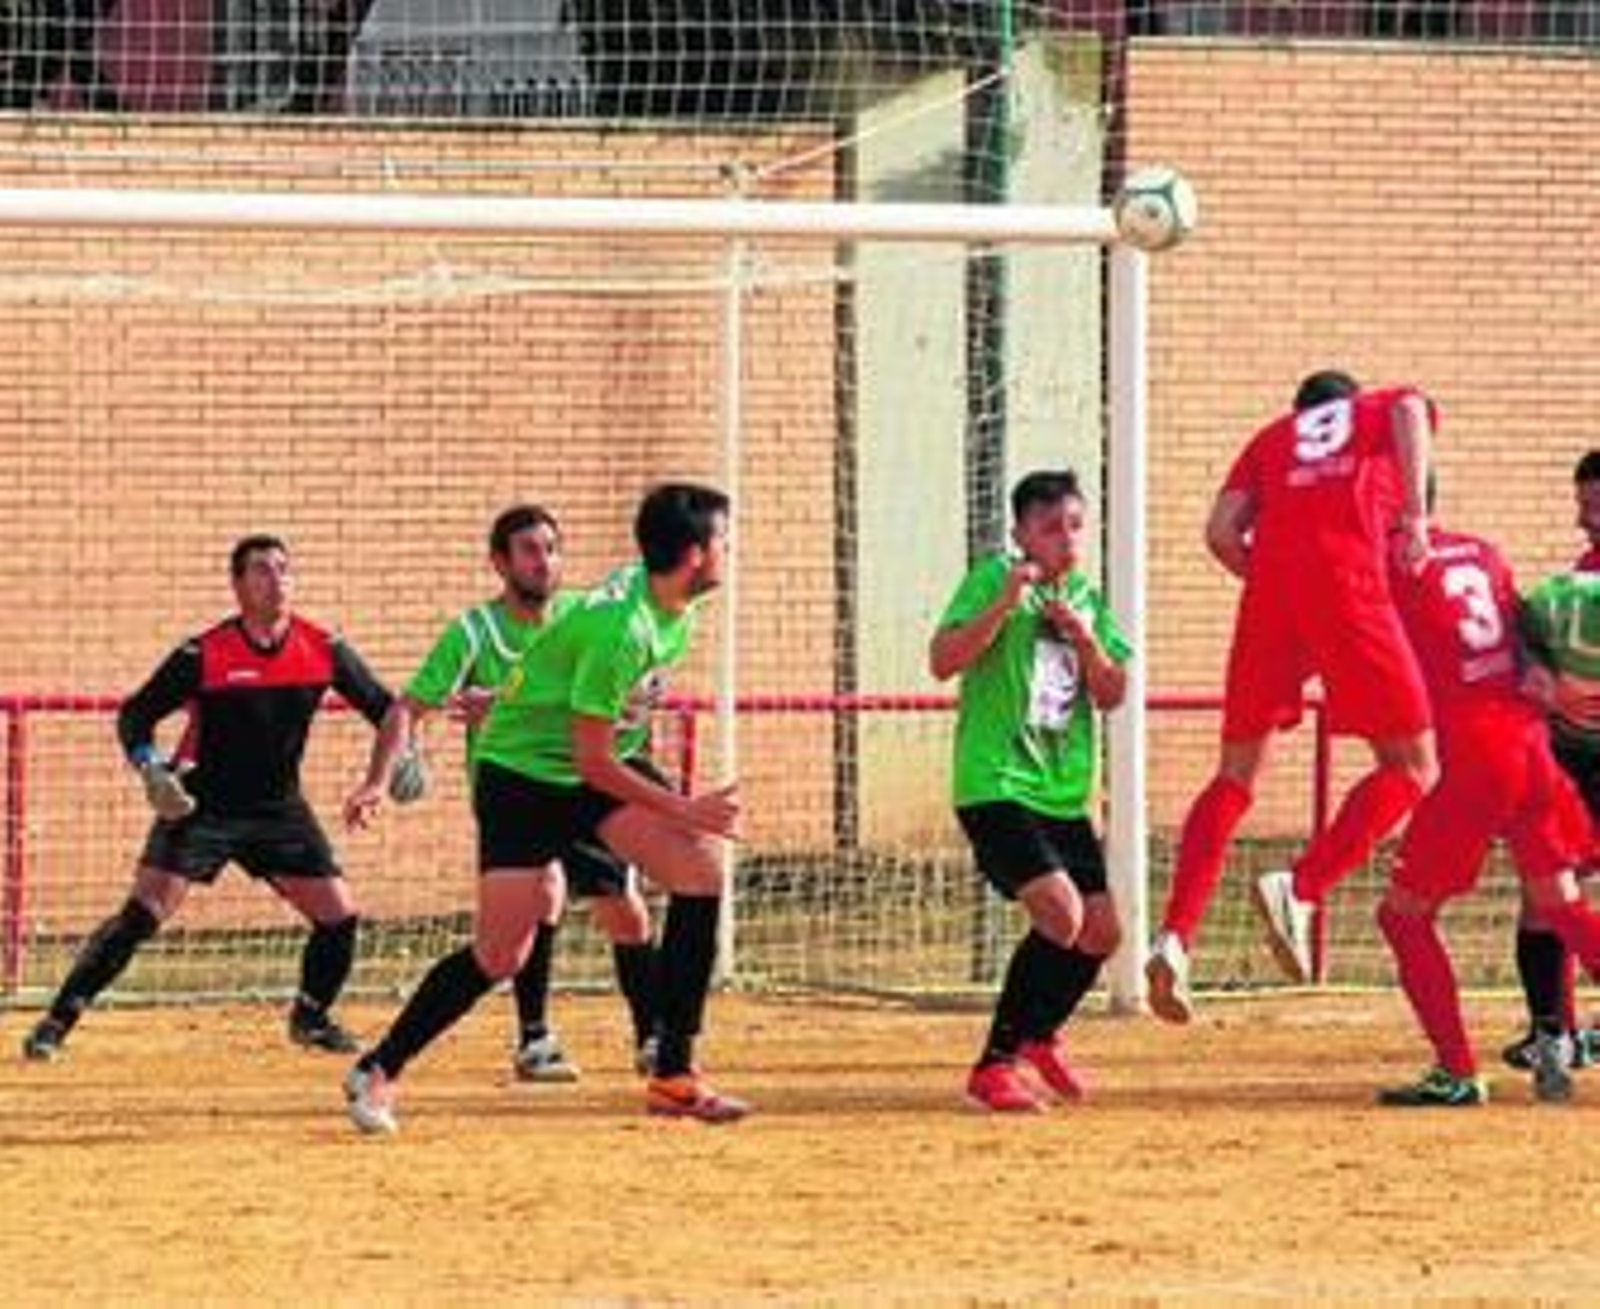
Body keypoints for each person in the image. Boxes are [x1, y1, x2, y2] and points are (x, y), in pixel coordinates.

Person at [342, 483, 743, 1134]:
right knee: (500, 955)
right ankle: (378, 1068)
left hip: (588, 763)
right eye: (726, 539)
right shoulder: (622, 629)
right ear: (695, 553)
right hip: (522, 774)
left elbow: (599, 750)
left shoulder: (670, 605)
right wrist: (683, 805)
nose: (732, 551)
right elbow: (591, 761)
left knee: (698, 875)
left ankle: (673, 1070)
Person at [22, 534, 394, 1061]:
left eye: (285, 569)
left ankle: (310, 1017)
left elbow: (386, 710)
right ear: (238, 584)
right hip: (200, 806)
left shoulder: (323, 648)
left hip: (277, 809)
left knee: (339, 915)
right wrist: (150, 768)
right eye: (262, 570)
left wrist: (387, 772)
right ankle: (56, 1023)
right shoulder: (204, 652)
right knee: (143, 914)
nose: (278, 580)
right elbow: (135, 715)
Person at [1145, 370, 1441, 1023]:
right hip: (1346, 579)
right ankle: (1301, 886)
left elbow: (1221, 532)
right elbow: (1413, 405)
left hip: (1271, 591)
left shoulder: (1271, 438)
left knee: (1235, 775)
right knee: (1415, 766)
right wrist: (1418, 517)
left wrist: (1277, 579)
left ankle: (1174, 936)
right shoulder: (1369, 415)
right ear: (1348, 402)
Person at [346, 503, 658, 1083]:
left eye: (552, 548)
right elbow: (406, 709)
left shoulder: (582, 618)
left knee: (624, 912)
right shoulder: (475, 631)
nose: (545, 561)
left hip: (583, 784)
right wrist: (376, 780)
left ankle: (652, 1039)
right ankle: (533, 1039)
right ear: (500, 563)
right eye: (530, 550)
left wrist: (514, 702)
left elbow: (606, 699)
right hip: (517, 791)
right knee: (528, 914)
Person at [1377, 506, 1600, 1106]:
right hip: (1529, 740)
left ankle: (1456, 1070)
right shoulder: (1485, 551)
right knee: (1564, 905)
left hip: (1473, 751)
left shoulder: (1389, 564)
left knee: (1402, 916)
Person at [929, 470, 1131, 1112]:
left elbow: (1111, 693)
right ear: (1021, 534)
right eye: (1050, 528)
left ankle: (1041, 1035)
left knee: (1101, 933)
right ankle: (994, 1066)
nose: (1067, 541)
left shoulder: (1088, 600)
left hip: (1063, 793)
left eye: (1075, 526)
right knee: (1060, 913)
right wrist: (1002, 605)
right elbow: (942, 660)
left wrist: (1085, 637)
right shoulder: (995, 580)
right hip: (996, 783)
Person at [1501, 450, 1600, 1072]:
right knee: (1546, 892)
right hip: (1572, 755)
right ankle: (1553, 1032)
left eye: (1596, 506)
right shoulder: (1578, 579)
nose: (1583, 519)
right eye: (1581, 505)